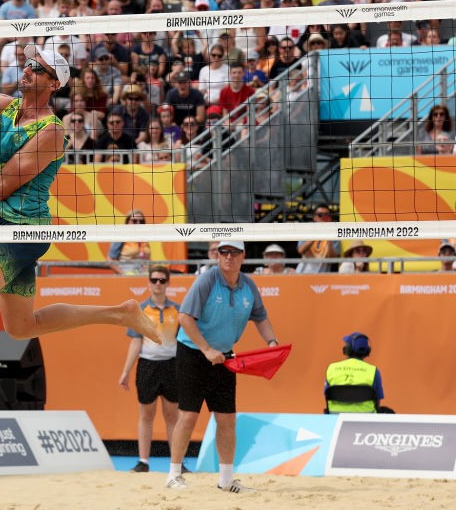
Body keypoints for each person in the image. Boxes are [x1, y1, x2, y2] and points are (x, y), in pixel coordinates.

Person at [0, 47, 161, 423]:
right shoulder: (6, 105)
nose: (27, 70)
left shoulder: (51, 132)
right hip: (4, 225)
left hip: (25, 230)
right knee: (21, 327)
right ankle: (121, 312)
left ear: (53, 83)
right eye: (28, 64)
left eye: (37, 68)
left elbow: (0, 188)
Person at [166, 240, 280, 493]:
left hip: (225, 357)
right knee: (188, 415)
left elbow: (260, 317)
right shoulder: (207, 280)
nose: (228, 257)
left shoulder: (248, 285)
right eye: (223, 252)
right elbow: (184, 317)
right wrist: (206, 349)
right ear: (217, 255)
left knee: (227, 419)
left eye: (234, 252)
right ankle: (174, 474)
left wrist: (271, 341)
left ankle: (226, 480)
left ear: (243, 256)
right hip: (193, 354)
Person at [119, 265, 181, 473]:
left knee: (173, 416)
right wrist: (126, 371)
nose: (158, 284)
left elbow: (184, 342)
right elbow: (135, 342)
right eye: (154, 280)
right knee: (146, 415)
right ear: (148, 282)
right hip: (147, 365)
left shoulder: (177, 310)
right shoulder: (141, 310)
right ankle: (143, 461)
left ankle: (176, 463)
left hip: (172, 365)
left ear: (168, 283)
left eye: (162, 280)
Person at [324, 332, 393, 413]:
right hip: (365, 417)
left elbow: (327, 395)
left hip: (335, 415)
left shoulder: (331, 368)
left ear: (347, 349)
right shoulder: (373, 371)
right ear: (367, 351)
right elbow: (377, 401)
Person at [296, 203, 341, 273]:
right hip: (302, 275)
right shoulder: (307, 230)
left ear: (330, 218)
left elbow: (332, 259)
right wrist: (316, 234)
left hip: (322, 278)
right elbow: (301, 250)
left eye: (326, 215)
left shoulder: (335, 235)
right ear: (315, 218)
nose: (323, 218)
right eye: (320, 215)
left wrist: (329, 236)